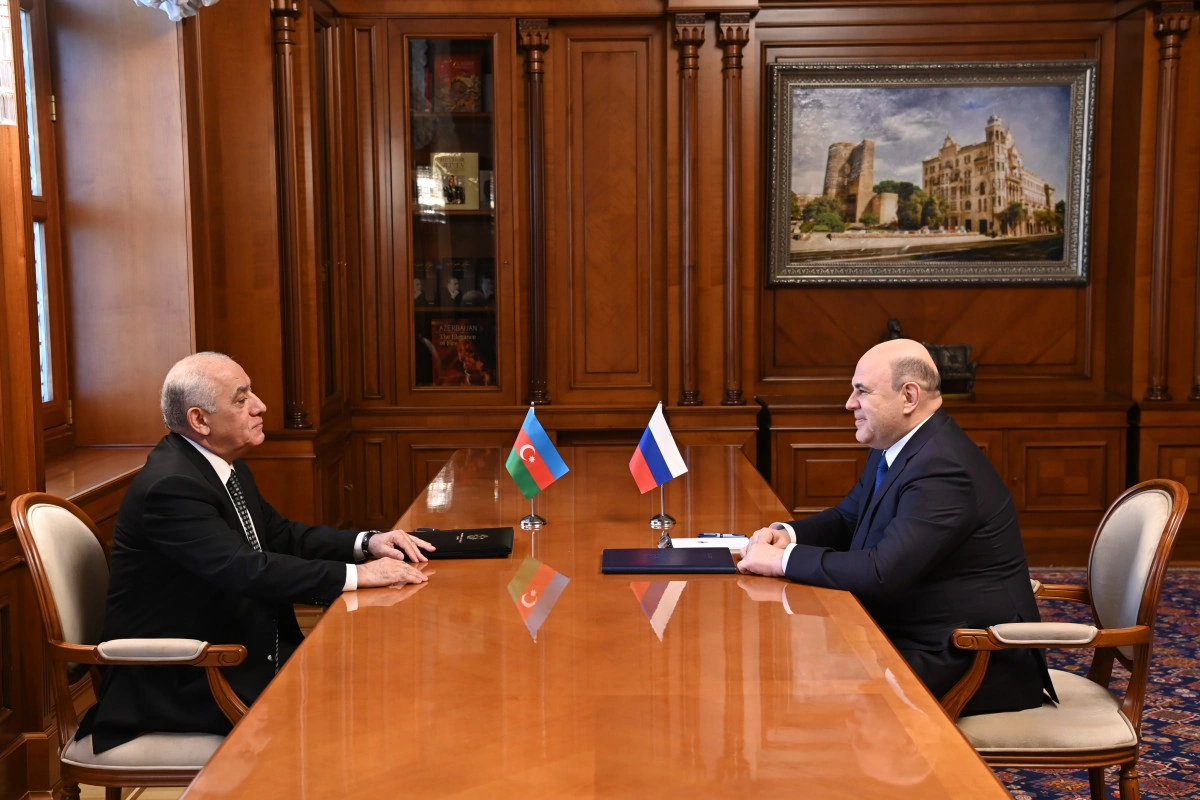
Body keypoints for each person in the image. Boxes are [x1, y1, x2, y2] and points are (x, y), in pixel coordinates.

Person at [79, 352, 434, 754]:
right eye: (241, 398)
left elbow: (282, 536)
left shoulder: (220, 465)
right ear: (200, 420)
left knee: (376, 677)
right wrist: (358, 576)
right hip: (189, 677)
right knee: (357, 710)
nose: (260, 406)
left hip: (241, 651)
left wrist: (367, 544)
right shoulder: (171, 487)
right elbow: (245, 569)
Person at [738, 338, 1054, 715]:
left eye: (862, 391)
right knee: (789, 668)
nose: (849, 403)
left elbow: (882, 572)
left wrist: (782, 561)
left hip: (970, 655)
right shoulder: (897, 446)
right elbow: (848, 517)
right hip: (914, 633)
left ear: (908, 397)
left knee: (812, 696)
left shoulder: (943, 467)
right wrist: (786, 535)